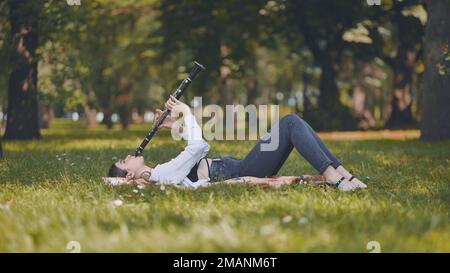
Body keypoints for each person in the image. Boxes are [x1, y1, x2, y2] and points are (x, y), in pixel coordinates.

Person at [108, 95, 367, 191]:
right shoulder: (160, 174)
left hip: (244, 166)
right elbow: (198, 148)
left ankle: (344, 175)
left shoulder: (161, 173)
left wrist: (174, 126)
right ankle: (334, 178)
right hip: (246, 171)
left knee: (294, 123)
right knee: (289, 123)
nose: (128, 156)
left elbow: (194, 151)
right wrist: (186, 113)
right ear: (129, 173)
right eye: (124, 161)